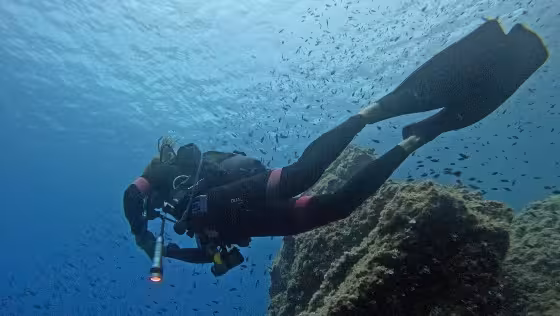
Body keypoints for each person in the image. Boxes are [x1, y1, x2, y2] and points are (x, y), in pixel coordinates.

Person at [123, 20, 548, 276]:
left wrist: (138, 230)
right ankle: (414, 141)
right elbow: (206, 259)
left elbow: (131, 194)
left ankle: (370, 113)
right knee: (337, 207)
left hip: (224, 196)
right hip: (241, 223)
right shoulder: (181, 222)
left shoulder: (163, 172)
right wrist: (167, 253)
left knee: (302, 175)